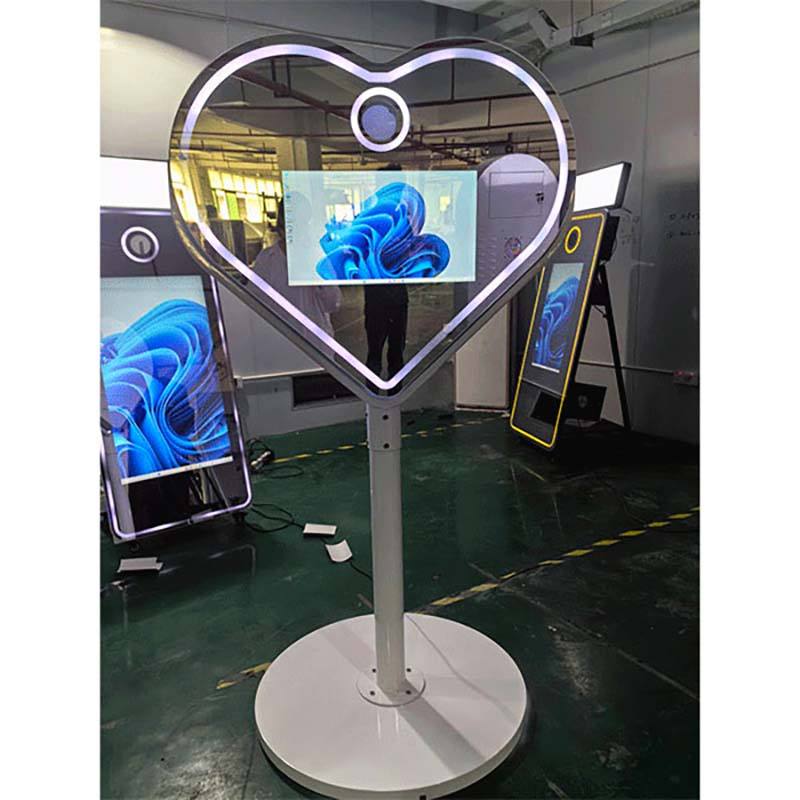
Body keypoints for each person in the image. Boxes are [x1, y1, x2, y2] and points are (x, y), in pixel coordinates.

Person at [252, 199, 341, 338]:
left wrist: (319, 279)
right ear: (282, 224)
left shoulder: (318, 257)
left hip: (316, 344)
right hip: (281, 342)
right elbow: (255, 306)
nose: (300, 229)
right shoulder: (267, 260)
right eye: (294, 222)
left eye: (303, 222)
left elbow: (333, 303)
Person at [364, 163, 409, 378]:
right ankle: (374, 395)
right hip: (378, 295)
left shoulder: (404, 215)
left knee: (395, 354)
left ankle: (391, 394)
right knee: (376, 353)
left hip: (395, 294)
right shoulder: (371, 216)